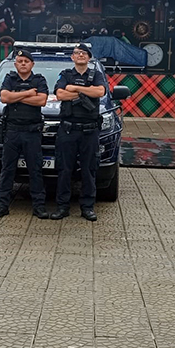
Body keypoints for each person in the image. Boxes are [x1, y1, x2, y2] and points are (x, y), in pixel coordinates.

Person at [0, 49, 49, 219]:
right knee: (7, 170)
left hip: (32, 132)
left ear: (32, 64)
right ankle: (1, 206)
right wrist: (29, 93)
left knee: (35, 170)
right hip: (12, 131)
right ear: (15, 64)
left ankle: (39, 207)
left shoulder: (39, 79)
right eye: (20, 61)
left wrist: (16, 96)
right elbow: (4, 98)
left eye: (26, 61)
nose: (23, 64)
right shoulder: (10, 78)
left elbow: (41, 100)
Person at [51, 43, 107, 221]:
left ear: (89, 57)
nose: (80, 55)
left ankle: (87, 207)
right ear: (72, 57)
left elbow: (100, 91)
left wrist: (75, 89)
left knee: (88, 170)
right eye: (77, 53)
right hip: (68, 130)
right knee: (64, 169)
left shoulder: (96, 74)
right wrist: (85, 92)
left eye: (84, 53)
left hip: (89, 131)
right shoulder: (66, 74)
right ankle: (62, 207)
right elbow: (60, 94)